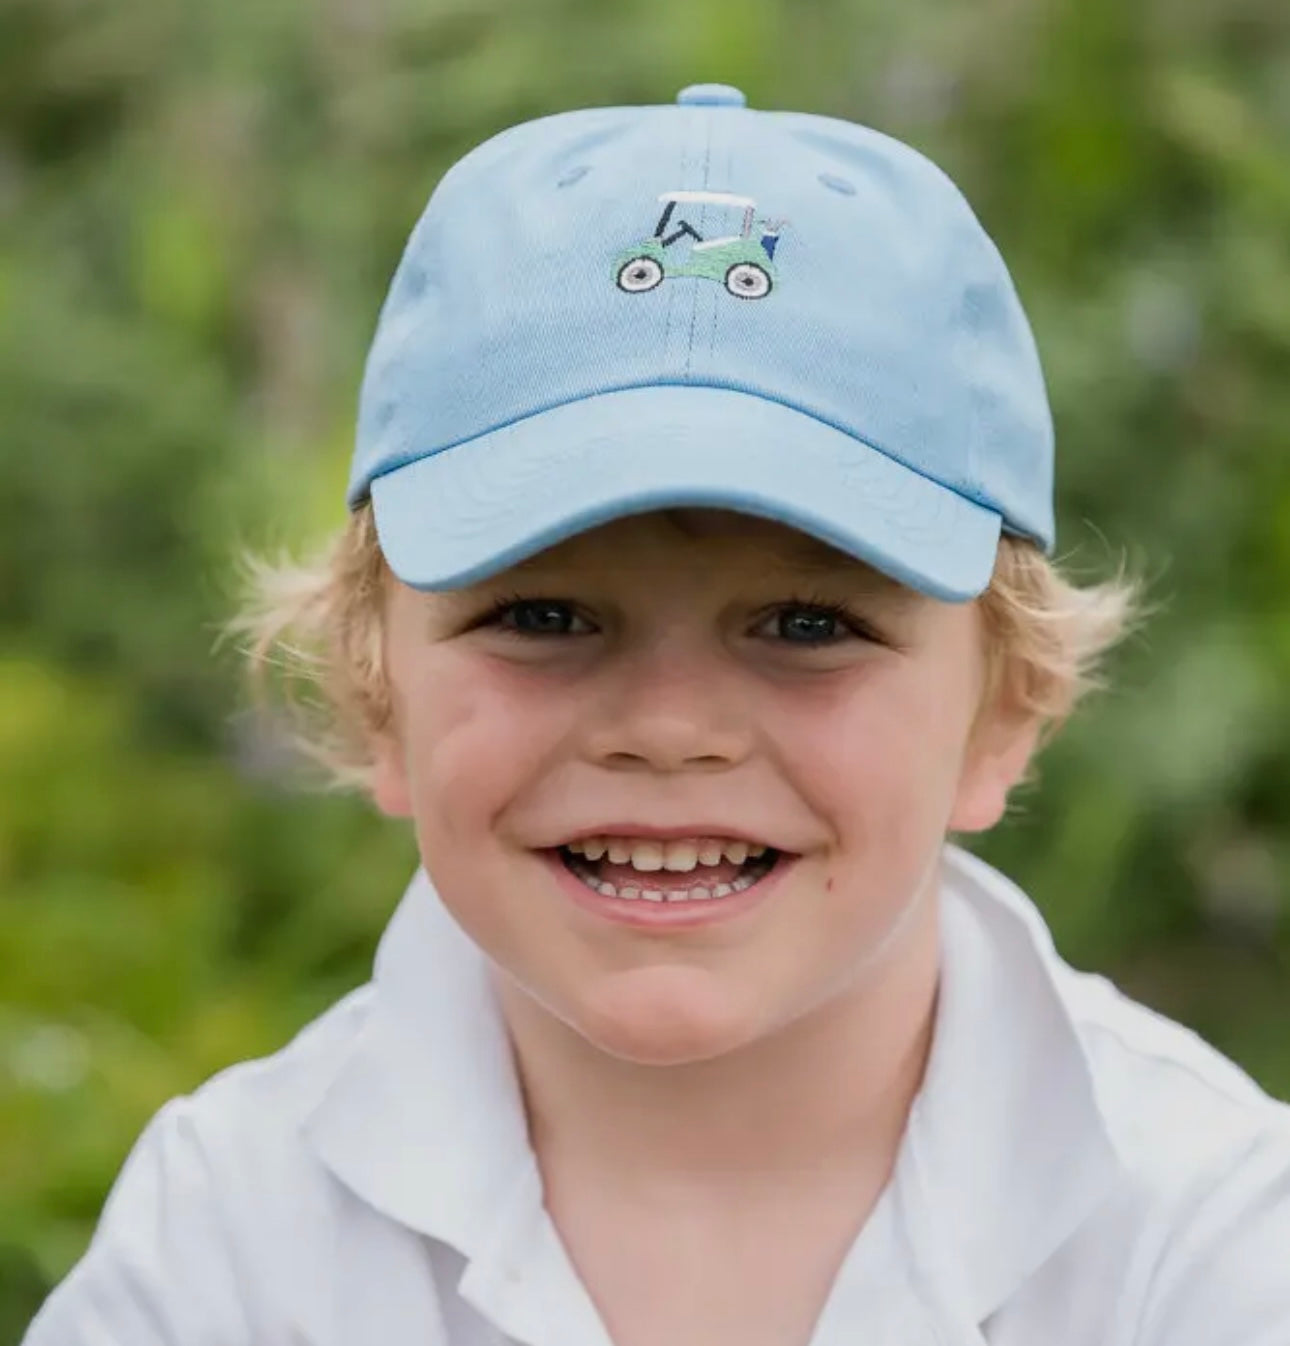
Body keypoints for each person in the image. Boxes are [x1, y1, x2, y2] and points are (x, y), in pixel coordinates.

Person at [24, 83, 1290, 1346]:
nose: (671, 728)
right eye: (547, 617)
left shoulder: (1205, 1242)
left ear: (1004, 713)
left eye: (808, 625)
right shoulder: (228, 1243)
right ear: (374, 690)